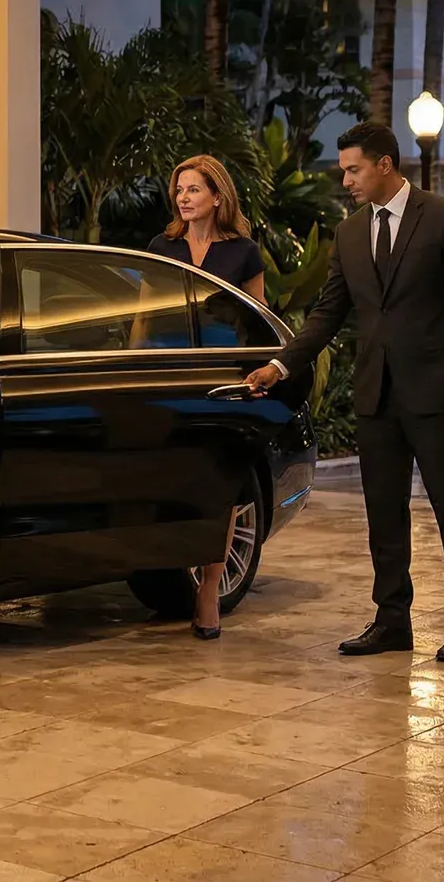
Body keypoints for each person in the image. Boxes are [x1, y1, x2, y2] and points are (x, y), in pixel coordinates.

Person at [243, 122, 444, 663]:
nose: (346, 180)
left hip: (438, 394)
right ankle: (391, 620)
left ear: (384, 164)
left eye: (353, 169)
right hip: (376, 395)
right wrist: (281, 365)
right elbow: (329, 312)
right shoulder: (351, 233)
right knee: (384, 511)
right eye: (343, 171)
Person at [148, 155, 264, 640]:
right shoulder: (161, 246)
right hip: (170, 375)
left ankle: (208, 590)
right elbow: (143, 316)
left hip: (221, 381)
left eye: (194, 189)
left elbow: (258, 319)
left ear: (217, 196)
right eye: (179, 189)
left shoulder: (243, 253)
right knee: (171, 482)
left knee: (220, 488)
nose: (184, 197)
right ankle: (164, 574)